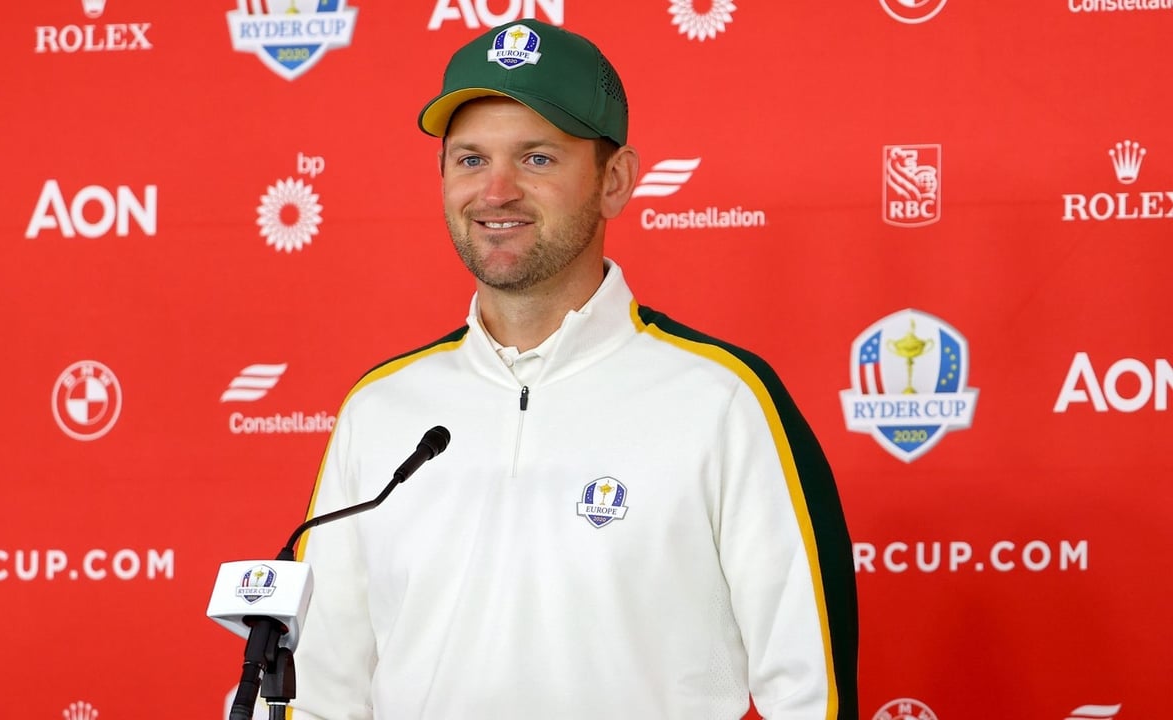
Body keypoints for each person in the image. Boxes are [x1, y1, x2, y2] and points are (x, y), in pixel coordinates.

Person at [291, 18, 858, 720]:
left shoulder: (725, 400)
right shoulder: (379, 410)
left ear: (615, 181)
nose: (495, 192)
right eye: (470, 160)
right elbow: (319, 687)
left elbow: (810, 694)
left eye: (536, 159)